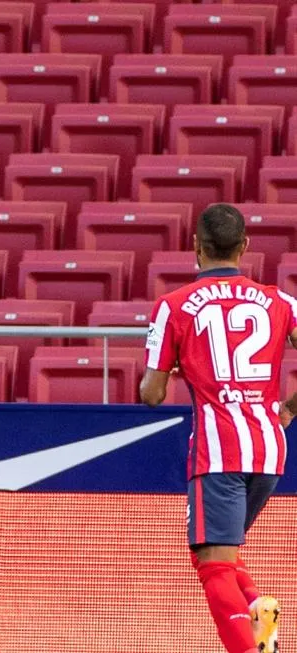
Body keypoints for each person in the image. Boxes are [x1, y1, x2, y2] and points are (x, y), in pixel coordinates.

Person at [140, 203, 294, 653]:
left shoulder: (174, 306)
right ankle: (257, 609)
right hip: (269, 449)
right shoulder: (280, 300)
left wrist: (167, 370)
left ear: (196, 246)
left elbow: (151, 394)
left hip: (218, 450)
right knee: (215, 555)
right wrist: (288, 408)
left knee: (212, 565)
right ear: (244, 246)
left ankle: (248, 646)